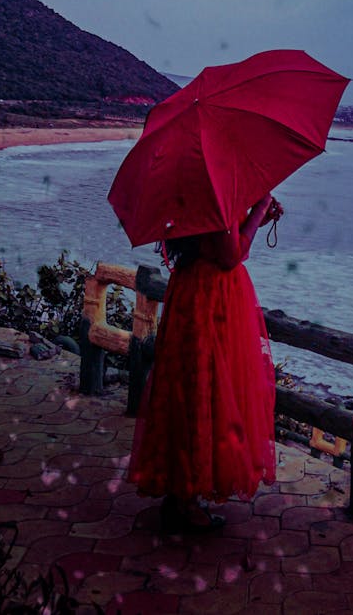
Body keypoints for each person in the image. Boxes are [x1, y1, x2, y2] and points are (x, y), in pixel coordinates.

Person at [128, 191, 283, 533]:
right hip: (212, 300)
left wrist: (256, 217)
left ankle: (179, 492)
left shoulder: (188, 190)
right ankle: (186, 500)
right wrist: (258, 210)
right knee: (206, 391)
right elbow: (230, 254)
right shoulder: (216, 193)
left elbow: (216, 239)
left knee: (187, 389)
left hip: (190, 291)